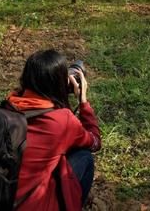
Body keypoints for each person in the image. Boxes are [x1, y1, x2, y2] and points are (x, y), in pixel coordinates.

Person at [6, 50, 101, 211]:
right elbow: (94, 142)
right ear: (60, 84)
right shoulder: (61, 120)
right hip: (32, 206)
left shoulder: (8, 105)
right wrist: (83, 102)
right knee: (83, 157)